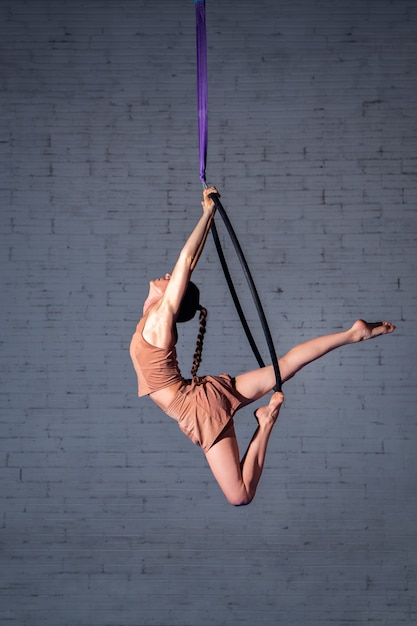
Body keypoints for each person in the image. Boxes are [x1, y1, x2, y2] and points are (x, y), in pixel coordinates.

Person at [130, 187, 395, 506]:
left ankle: (266, 422)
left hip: (198, 407)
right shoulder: (155, 316)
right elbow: (188, 265)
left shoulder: (159, 321)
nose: (170, 276)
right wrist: (208, 215)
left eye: (174, 282)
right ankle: (352, 334)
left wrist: (207, 214)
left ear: (172, 298)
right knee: (282, 368)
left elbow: (186, 263)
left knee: (240, 494)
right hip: (198, 397)